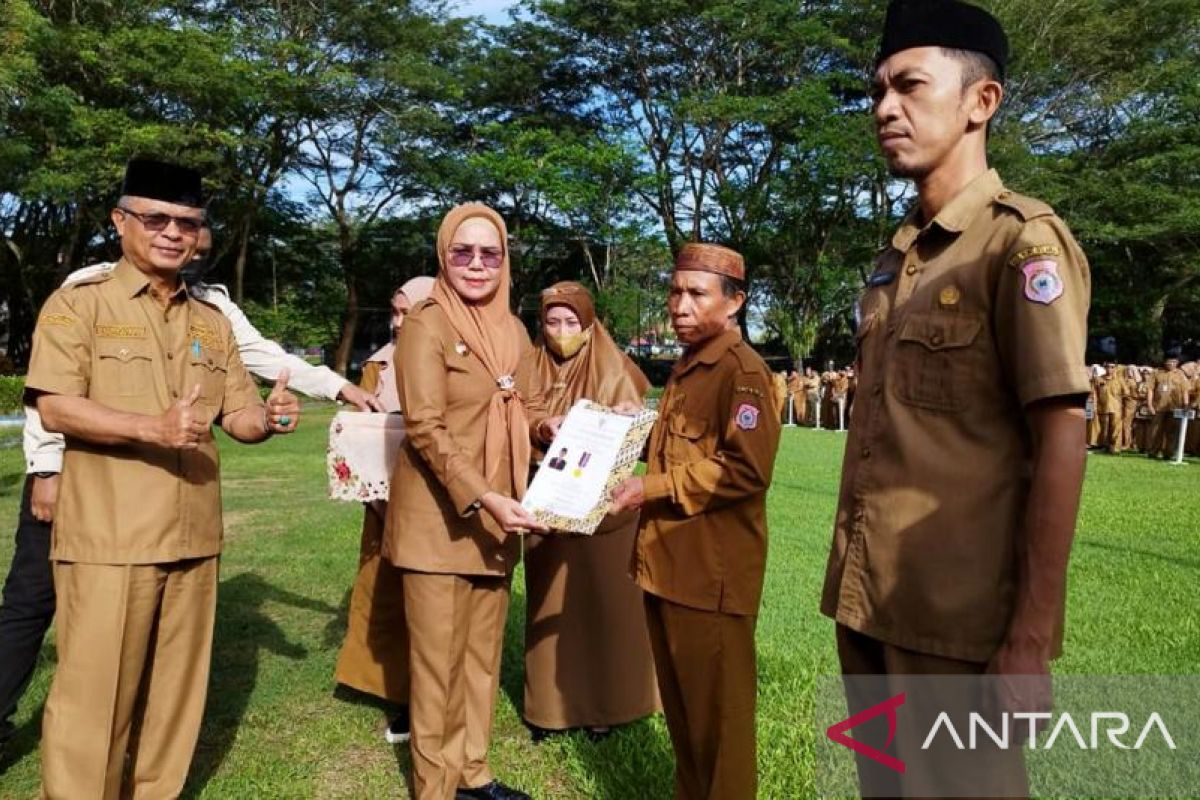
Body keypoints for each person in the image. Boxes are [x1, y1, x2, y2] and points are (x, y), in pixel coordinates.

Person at [820, 2, 1091, 797]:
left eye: (909, 86)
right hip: (867, 601)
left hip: (956, 627)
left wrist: (1030, 641)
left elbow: (1062, 437)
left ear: (981, 102)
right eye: (876, 91)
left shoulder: (1021, 243)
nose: (884, 109)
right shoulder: (895, 256)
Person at [0, 223, 377, 757]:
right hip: (84, 484)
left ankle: (134, 741)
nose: (184, 244)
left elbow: (265, 357)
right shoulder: (89, 292)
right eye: (165, 225)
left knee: (152, 627)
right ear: (125, 224)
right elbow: (54, 393)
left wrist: (339, 387)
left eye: (195, 234)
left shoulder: (209, 309)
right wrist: (45, 470)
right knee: (32, 602)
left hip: (168, 498)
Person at [24, 158, 301, 798]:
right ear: (121, 221)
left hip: (193, 535)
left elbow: (238, 415)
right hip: (111, 539)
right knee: (94, 701)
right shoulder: (78, 306)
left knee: (175, 703)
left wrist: (270, 415)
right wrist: (152, 428)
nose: (174, 233)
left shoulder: (211, 320)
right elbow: (55, 405)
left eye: (188, 222)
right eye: (156, 218)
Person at [384, 203, 548, 800]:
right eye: (462, 252)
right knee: (437, 667)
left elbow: (524, 408)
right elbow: (426, 427)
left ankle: (472, 774)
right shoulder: (427, 323)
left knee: (480, 659)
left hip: (499, 518)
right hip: (442, 520)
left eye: (489, 253)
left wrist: (549, 431)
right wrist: (484, 498)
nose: (476, 264)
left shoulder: (514, 329)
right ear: (442, 256)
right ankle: (435, 787)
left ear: (504, 260)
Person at [610, 242, 781, 800]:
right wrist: (624, 430)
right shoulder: (689, 367)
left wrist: (650, 488)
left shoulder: (742, 372)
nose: (679, 307)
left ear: (734, 304)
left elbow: (745, 471)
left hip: (711, 579)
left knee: (721, 735)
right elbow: (677, 445)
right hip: (667, 567)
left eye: (696, 294)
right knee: (687, 725)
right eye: (675, 292)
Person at [522, 281, 659, 741]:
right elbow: (508, 415)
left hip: (606, 512)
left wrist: (623, 420)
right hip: (546, 504)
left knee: (604, 605)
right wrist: (542, 426)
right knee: (550, 604)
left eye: (571, 322)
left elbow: (640, 435)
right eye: (552, 322)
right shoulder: (526, 365)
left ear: (589, 323)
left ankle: (609, 705)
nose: (561, 331)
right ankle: (550, 708)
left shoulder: (614, 367)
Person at [334, 276, 435, 744]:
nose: (398, 323)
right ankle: (397, 690)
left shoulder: (447, 361)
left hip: (434, 504)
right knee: (385, 592)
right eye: (394, 313)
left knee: (431, 602)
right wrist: (373, 495)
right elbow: (358, 432)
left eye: (408, 313)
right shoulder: (378, 365)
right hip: (380, 499)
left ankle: (428, 699)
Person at [1146, 355, 1190, 459]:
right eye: (1169, 361)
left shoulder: (1180, 374)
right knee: (1155, 431)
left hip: (1175, 408)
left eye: (1174, 362)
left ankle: (1168, 453)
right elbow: (1150, 390)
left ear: (1177, 362)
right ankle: (1153, 452)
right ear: (1165, 362)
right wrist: (1149, 404)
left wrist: (1186, 404)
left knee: (1172, 432)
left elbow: (1185, 391)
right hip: (1159, 407)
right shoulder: (1157, 373)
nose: (1171, 364)